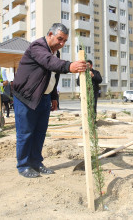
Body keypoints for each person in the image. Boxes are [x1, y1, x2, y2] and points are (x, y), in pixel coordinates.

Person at [12, 23, 87, 178]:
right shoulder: (37, 47)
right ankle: (24, 165)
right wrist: (69, 66)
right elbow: (49, 63)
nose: (62, 43)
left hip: (43, 98)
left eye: (65, 41)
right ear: (50, 34)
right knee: (26, 133)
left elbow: (52, 76)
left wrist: (53, 97)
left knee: (40, 133)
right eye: (60, 39)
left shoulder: (55, 53)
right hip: (26, 97)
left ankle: (36, 163)